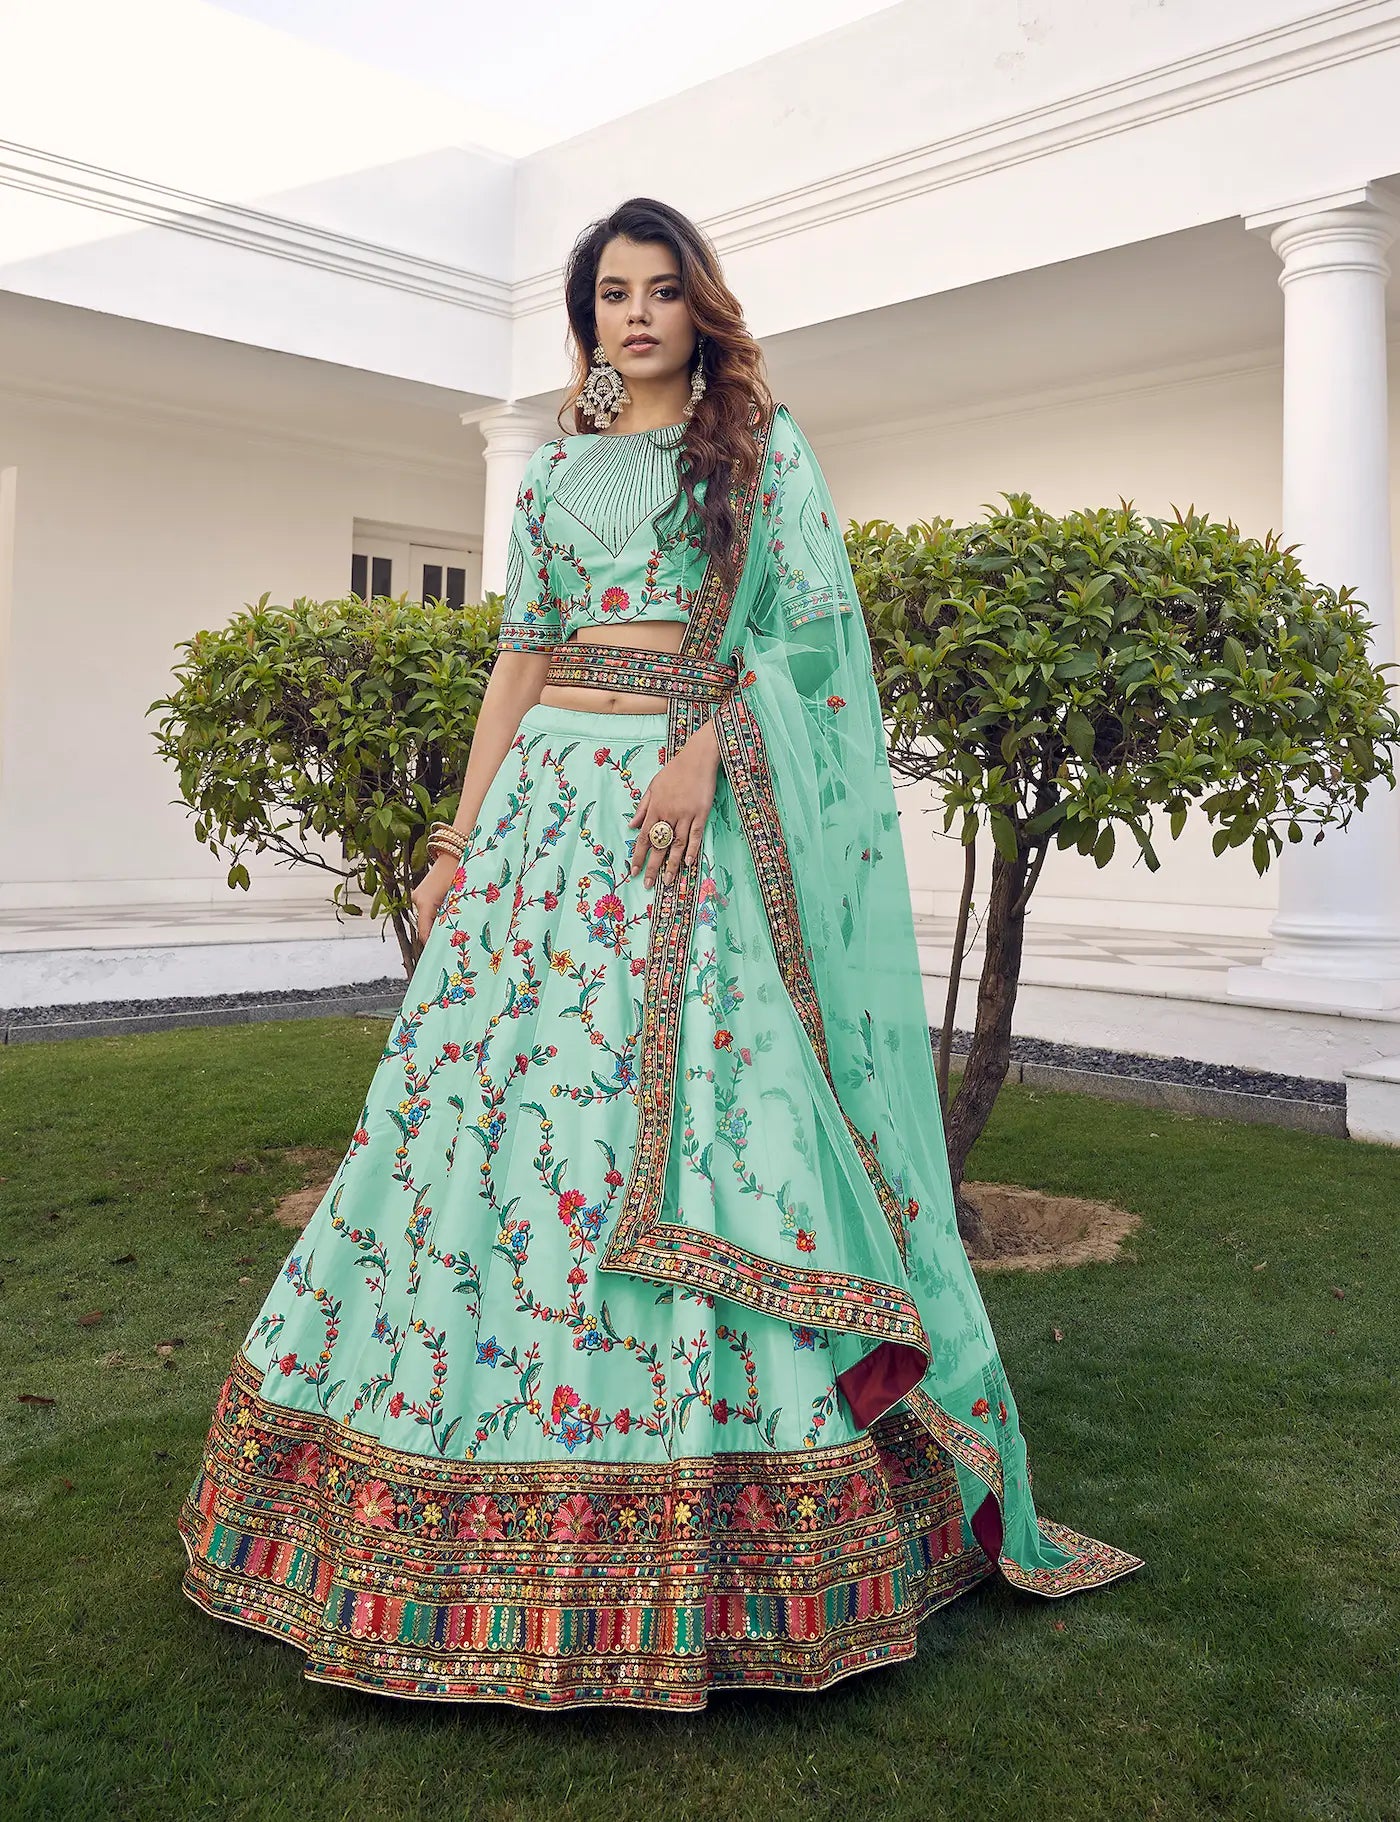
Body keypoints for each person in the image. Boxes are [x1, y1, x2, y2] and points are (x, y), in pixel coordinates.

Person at [179, 196, 1142, 1710]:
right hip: (545, 816)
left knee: (722, 1127)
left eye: (658, 290)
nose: (633, 315)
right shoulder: (556, 471)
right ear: (588, 319)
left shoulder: (757, 451)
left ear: (701, 307)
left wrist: (705, 740)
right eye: (610, 294)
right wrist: (455, 840)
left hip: (682, 822)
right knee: (487, 1129)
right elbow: (521, 653)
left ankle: (745, 1506)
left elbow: (813, 645)